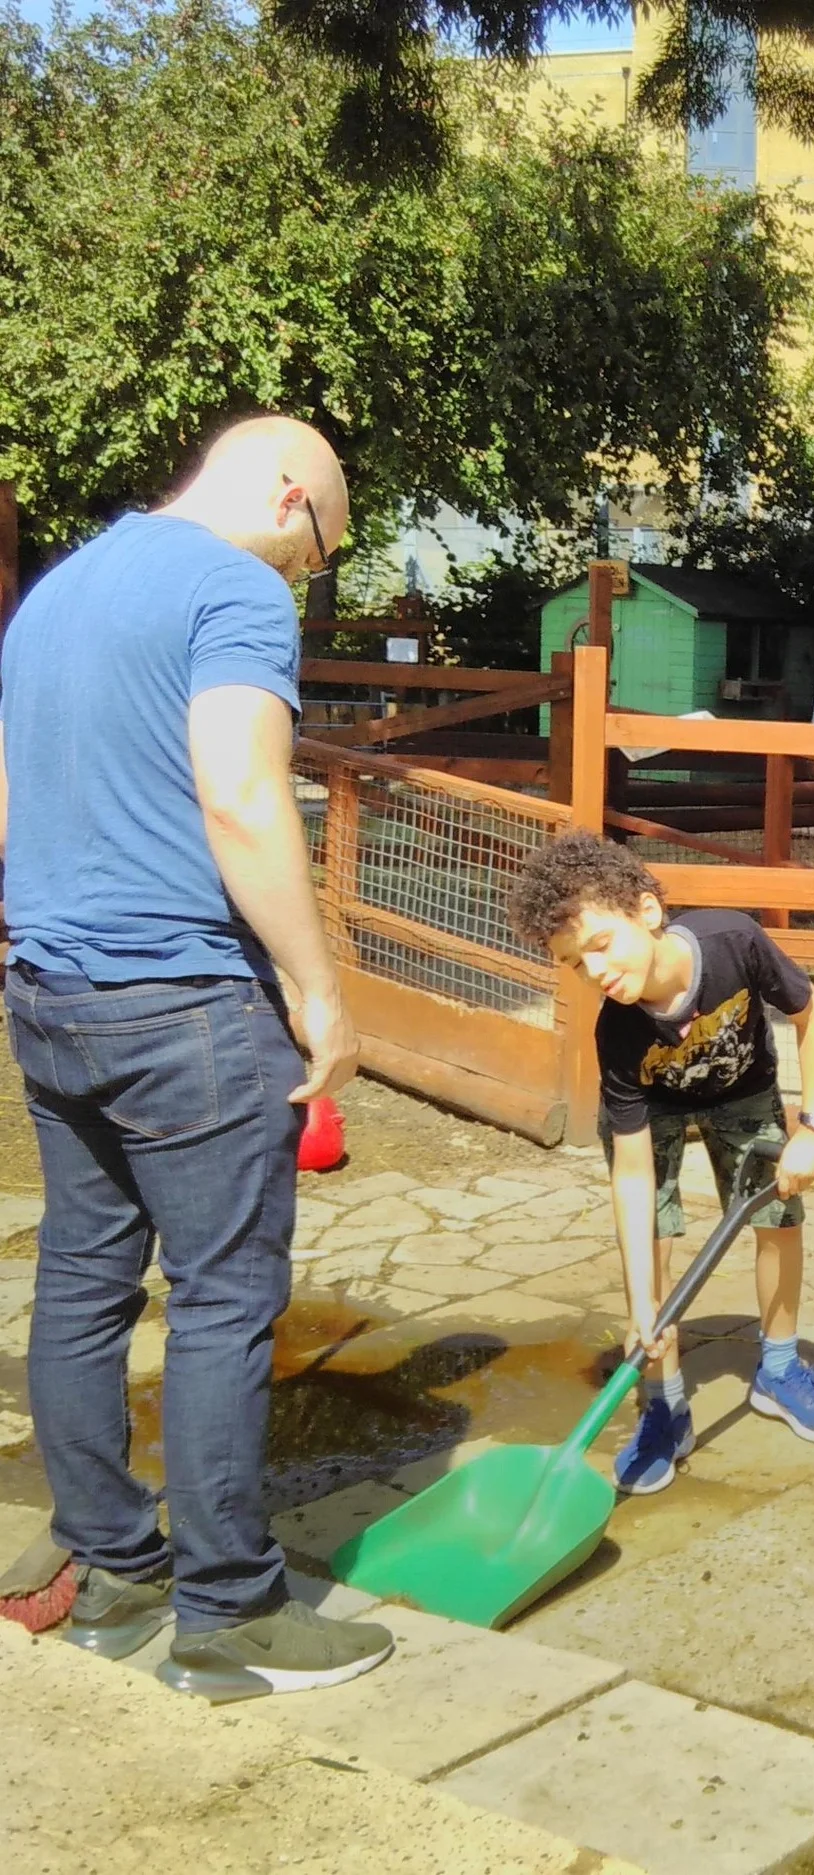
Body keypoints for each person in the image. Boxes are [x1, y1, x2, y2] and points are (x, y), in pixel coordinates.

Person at [0, 415, 395, 1691]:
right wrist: (318, 990)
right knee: (225, 1299)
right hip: (187, 1006)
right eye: (317, 550)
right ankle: (231, 1610)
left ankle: (115, 1569)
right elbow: (240, 793)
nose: (303, 575)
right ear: (292, 495)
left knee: (82, 1282)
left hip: (53, 991)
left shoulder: (59, 592)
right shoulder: (231, 585)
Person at [509, 832, 814, 1494]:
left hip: (742, 1086)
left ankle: (778, 1370)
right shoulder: (618, 1030)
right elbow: (632, 1175)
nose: (595, 971)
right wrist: (642, 1304)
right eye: (574, 963)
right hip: (657, 1105)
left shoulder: (733, 942)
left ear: (645, 911)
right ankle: (663, 1402)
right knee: (655, 1239)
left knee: (778, 1215)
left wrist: (813, 1126)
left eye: (600, 944)